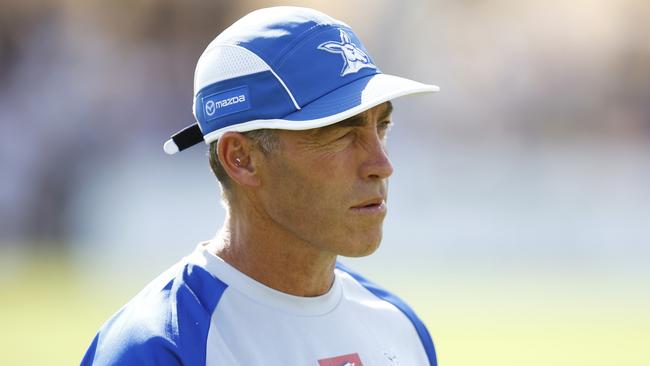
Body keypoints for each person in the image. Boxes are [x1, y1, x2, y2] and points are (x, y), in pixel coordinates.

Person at [81, 6, 439, 366]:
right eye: (341, 134)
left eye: (382, 128)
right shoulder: (158, 346)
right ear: (241, 158)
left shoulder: (400, 327)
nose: (382, 165)